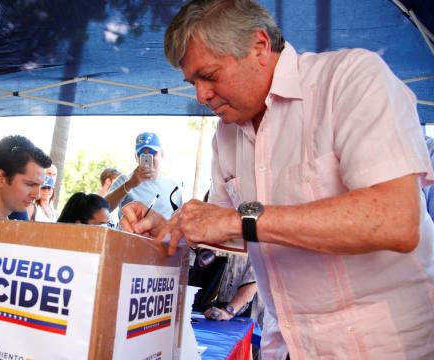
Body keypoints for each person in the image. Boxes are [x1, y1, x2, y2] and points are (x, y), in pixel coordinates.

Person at [121, 0, 434, 358]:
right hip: (285, 343)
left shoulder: (349, 79)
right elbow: (232, 231)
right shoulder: (226, 136)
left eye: (208, 75)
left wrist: (243, 220)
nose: (200, 95)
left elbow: (397, 218)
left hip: (384, 345)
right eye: (193, 82)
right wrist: (172, 228)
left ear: (259, 46)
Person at [105, 132, 182, 220]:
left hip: (164, 233)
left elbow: (179, 217)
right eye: (142, 154)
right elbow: (103, 208)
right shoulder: (124, 180)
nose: (148, 157)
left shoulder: (172, 185)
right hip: (130, 233)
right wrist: (129, 184)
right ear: (136, 157)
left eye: (153, 152)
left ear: (162, 154)